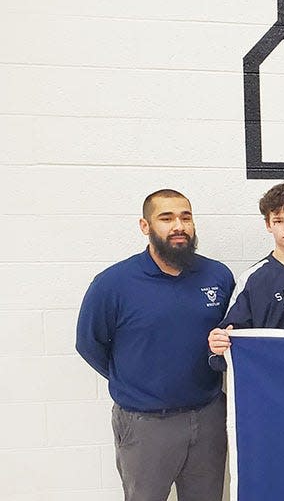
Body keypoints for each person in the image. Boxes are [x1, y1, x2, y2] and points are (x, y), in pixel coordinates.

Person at [75, 189, 234, 501]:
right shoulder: (114, 283)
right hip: (145, 424)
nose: (178, 225)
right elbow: (89, 344)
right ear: (145, 226)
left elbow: (233, 334)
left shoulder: (217, 276)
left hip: (208, 417)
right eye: (166, 218)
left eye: (185, 217)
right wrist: (135, 381)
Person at [206, 183, 284, 368]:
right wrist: (218, 343)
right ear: (268, 225)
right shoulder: (252, 278)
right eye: (278, 221)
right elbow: (228, 337)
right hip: (268, 386)